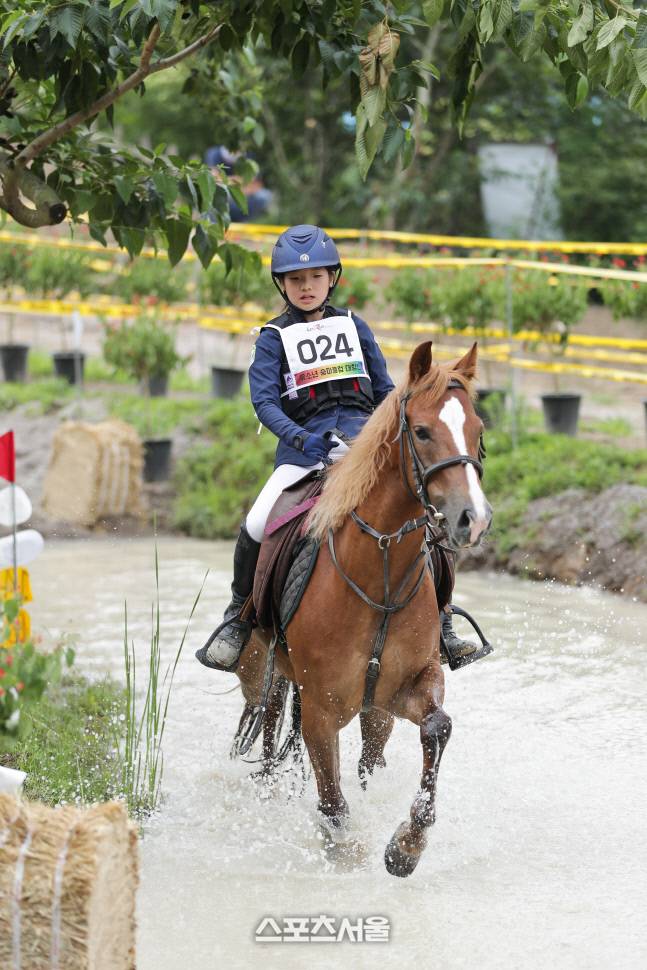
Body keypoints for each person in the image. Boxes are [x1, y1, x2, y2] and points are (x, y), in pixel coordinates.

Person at [196, 224, 478, 673]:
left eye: (315, 278)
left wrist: (378, 439)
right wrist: (306, 440)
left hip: (365, 447)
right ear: (282, 285)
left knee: (425, 517)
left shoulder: (354, 325)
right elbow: (265, 402)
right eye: (295, 281)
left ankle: (443, 622)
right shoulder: (272, 337)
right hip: (304, 450)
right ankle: (239, 616)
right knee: (255, 521)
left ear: (332, 278)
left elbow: (386, 390)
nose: (306, 288)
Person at [204, 145, 273, 222]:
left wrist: (227, 181)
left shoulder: (248, 156)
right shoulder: (214, 154)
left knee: (263, 196)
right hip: (225, 196)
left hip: (242, 197)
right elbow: (214, 182)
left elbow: (256, 185)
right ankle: (215, 225)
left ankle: (242, 222)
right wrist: (240, 182)